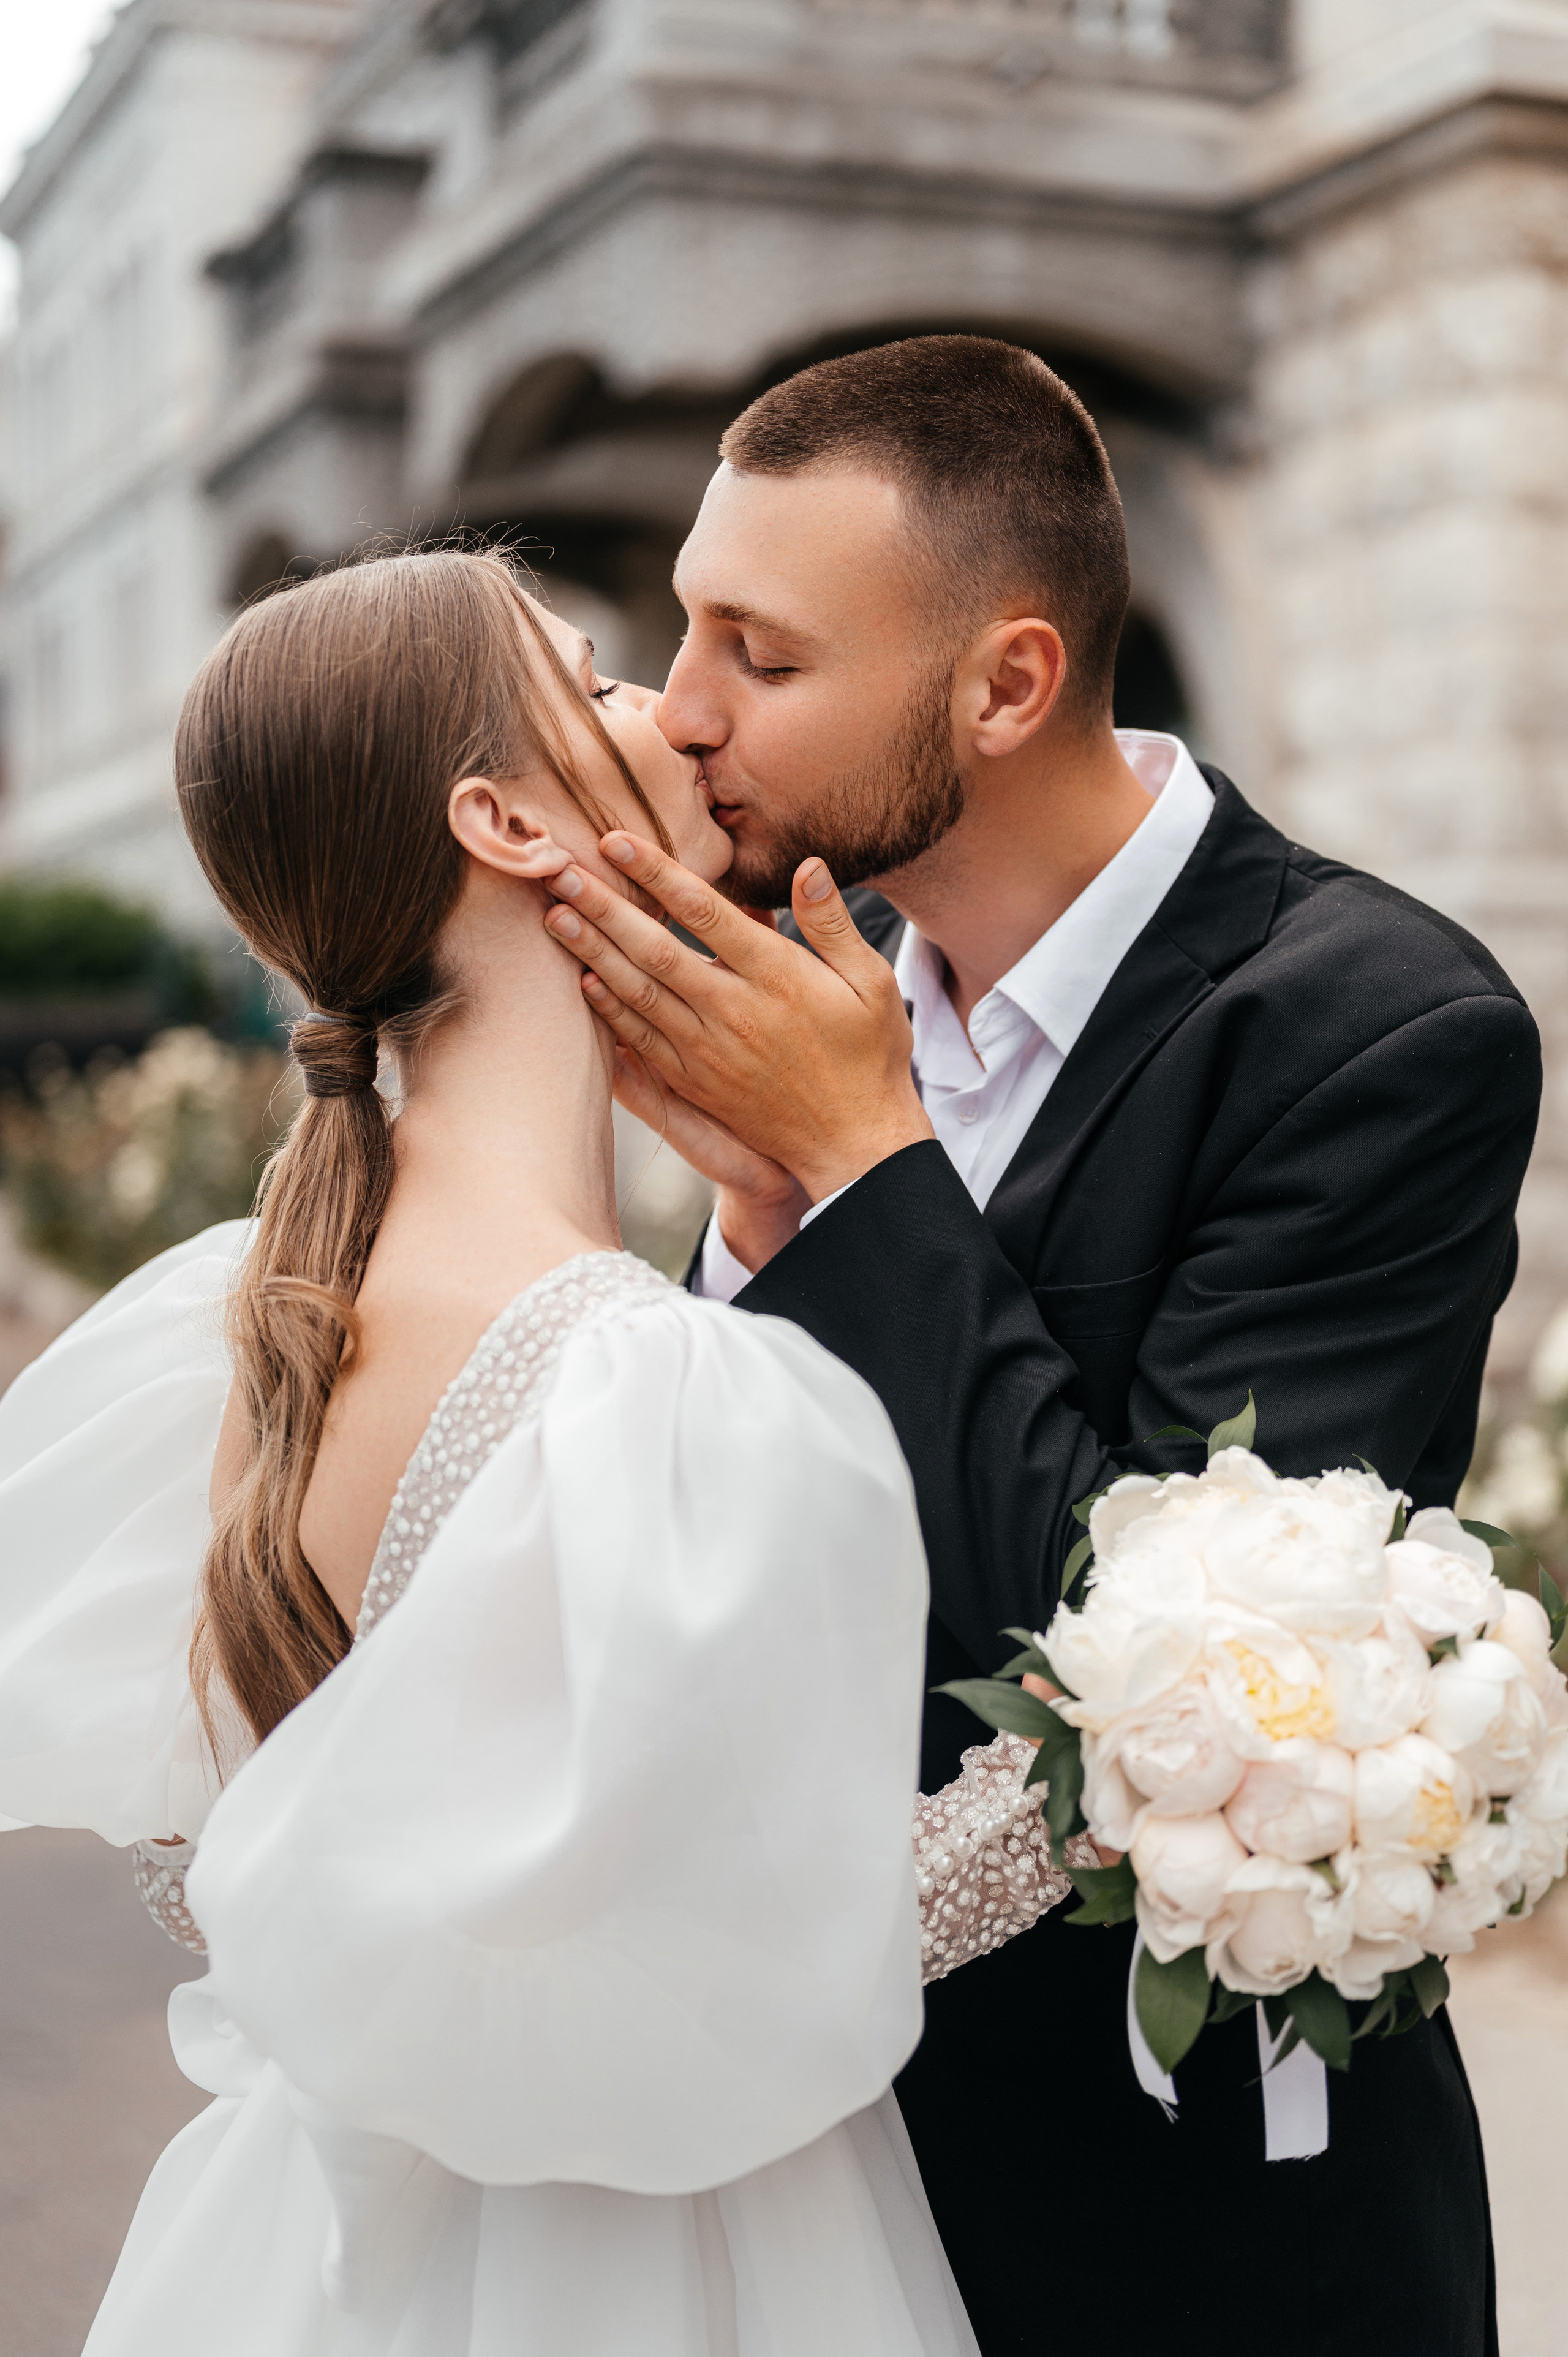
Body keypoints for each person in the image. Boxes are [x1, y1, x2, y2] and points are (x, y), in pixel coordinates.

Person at [537, 336, 1542, 2357]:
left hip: (1189, 2230)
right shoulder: (818, 999)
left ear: (1002, 684)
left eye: (763, 651)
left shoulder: (1376, 1033)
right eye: (684, 633)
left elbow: (1137, 1661)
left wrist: (861, 1171)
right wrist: (762, 1222)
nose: (684, 712)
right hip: (822, 2180)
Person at [0, 550, 1072, 2357]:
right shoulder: (641, 1384)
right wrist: (1151, 1760)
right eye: (599, 682)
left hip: (316, 2252)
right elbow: (768, 1943)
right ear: (502, 817)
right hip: (663, 2272)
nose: (670, 708)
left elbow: (220, 1871)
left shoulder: (228, 1326)